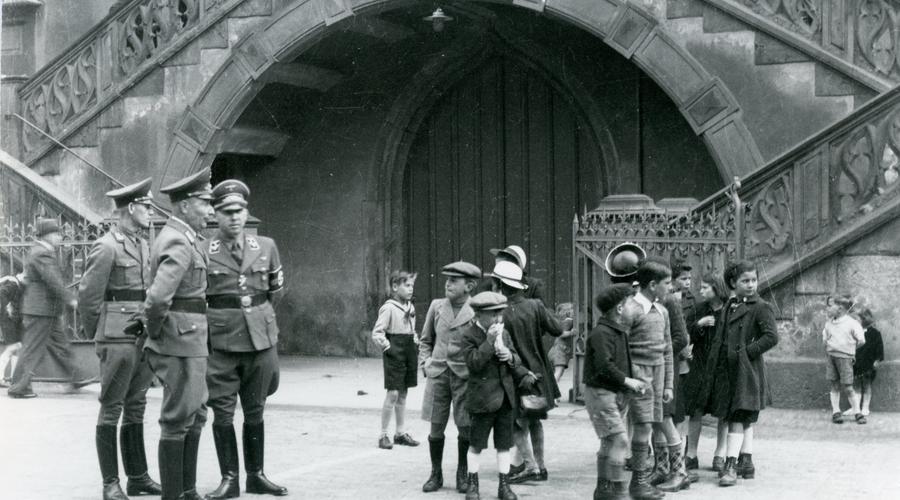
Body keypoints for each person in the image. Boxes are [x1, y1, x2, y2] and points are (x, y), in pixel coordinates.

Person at [203, 180, 288, 499]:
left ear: (246, 212)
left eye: (239, 211)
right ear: (216, 215)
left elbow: (274, 293)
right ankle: (229, 479)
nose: (234, 217)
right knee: (222, 411)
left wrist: (258, 319)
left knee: (256, 409)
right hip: (221, 344)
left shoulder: (266, 246)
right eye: (226, 212)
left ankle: (256, 475)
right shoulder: (204, 250)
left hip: (260, 341)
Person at [78, 178, 161, 500]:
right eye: (146, 207)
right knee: (111, 408)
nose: (151, 213)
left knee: (137, 405)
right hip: (115, 338)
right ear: (131, 208)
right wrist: (98, 336)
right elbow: (88, 297)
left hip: (140, 336)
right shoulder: (107, 246)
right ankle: (110, 483)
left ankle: (138, 477)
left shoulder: (142, 244)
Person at [141, 167, 215, 500]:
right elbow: (158, 298)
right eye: (205, 202)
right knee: (177, 419)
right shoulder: (177, 240)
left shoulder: (184, 238)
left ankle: (187, 490)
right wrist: (156, 335)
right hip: (180, 341)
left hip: (190, 340)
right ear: (185, 205)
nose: (210, 210)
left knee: (196, 414)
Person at [701, 260, 778, 487]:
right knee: (741, 414)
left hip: (746, 370)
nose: (751, 285)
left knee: (738, 414)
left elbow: (771, 336)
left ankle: (731, 464)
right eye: (745, 281)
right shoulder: (730, 304)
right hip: (726, 370)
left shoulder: (760, 306)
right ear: (733, 283)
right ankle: (747, 461)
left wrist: (747, 352)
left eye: (754, 280)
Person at [488, 261, 562, 485]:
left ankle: (530, 466)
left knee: (516, 425)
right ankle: (541, 465)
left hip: (515, 375)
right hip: (539, 374)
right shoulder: (536, 306)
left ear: (501, 286)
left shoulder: (499, 314)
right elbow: (557, 329)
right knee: (535, 420)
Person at [622, 258, 686, 497]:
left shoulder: (662, 311)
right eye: (667, 283)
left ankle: (675, 472)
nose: (671, 288)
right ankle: (640, 481)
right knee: (644, 427)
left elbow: (668, 349)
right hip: (639, 376)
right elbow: (620, 348)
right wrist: (630, 378)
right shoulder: (630, 310)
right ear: (652, 285)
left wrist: (668, 384)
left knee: (657, 422)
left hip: (659, 376)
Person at [7, 218, 89, 398]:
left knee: (60, 344)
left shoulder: (42, 251)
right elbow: (52, 279)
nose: (60, 237)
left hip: (46, 309)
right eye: (57, 234)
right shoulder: (41, 253)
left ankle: (77, 377)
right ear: (48, 235)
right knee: (32, 348)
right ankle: (19, 388)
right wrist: (70, 299)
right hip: (40, 309)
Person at [419, 261, 482, 493]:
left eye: (454, 281)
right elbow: (425, 339)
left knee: (465, 426)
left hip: (464, 377)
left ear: (470, 286)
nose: (448, 284)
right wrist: (425, 362)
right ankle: (436, 474)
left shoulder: (476, 310)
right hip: (437, 375)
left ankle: (462, 473)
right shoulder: (436, 306)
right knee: (436, 426)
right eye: (447, 279)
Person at [583, 283, 647, 500]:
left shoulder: (617, 331)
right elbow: (604, 366)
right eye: (631, 302)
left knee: (609, 441)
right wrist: (628, 381)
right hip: (601, 395)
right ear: (620, 308)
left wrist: (632, 381)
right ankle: (619, 493)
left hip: (611, 394)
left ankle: (604, 490)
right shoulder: (602, 333)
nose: (635, 306)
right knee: (619, 441)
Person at [460, 291, 524, 500]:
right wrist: (488, 343)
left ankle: (503, 485)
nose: (498, 319)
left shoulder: (504, 334)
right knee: (476, 444)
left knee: (504, 444)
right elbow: (474, 363)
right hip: (482, 400)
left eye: (500, 314)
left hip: (504, 398)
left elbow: (517, 359)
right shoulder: (469, 335)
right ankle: (472, 483)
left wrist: (510, 357)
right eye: (493, 315)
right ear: (478, 315)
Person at [683, 273, 728, 472]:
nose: (700, 291)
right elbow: (686, 336)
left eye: (704, 288)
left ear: (716, 289)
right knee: (695, 410)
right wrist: (699, 325)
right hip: (700, 365)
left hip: (722, 367)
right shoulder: (699, 309)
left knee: (723, 412)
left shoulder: (729, 310)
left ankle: (720, 454)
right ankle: (691, 454)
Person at [372, 270, 420, 450]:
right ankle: (383, 434)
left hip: (408, 351)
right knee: (392, 393)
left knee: (403, 393)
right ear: (394, 287)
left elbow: (411, 328)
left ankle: (400, 433)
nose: (410, 289)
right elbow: (377, 332)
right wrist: (387, 347)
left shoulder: (410, 307)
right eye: (406, 285)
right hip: (395, 352)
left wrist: (414, 339)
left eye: (412, 286)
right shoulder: (389, 308)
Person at [823, 294, 866, 425]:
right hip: (832, 358)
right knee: (834, 385)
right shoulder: (829, 324)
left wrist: (850, 351)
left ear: (840, 308)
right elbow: (825, 340)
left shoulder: (851, 323)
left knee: (848, 386)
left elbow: (861, 340)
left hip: (845, 359)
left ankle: (857, 412)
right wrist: (829, 349)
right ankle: (836, 412)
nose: (827, 309)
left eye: (831, 306)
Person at [474, 245, 544, 303]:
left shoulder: (533, 285)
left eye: (507, 262)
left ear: (518, 265)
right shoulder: (489, 285)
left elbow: (543, 313)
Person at [854, 308, 884, 417]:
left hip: (869, 364)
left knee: (867, 385)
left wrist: (877, 361)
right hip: (857, 363)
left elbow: (880, 349)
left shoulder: (875, 333)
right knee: (856, 385)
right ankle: (856, 408)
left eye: (862, 318)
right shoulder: (856, 332)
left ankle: (865, 408)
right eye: (860, 318)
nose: (860, 320)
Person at [0, 272, 26, 386]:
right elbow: (2, 294)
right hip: (8, 320)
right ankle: (3, 377)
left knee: (16, 347)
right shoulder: (13, 283)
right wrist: (7, 307)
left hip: (12, 320)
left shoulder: (13, 282)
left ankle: (13, 377)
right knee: (14, 347)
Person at [548, 302, 575, 385]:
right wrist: (571, 333)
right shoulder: (569, 321)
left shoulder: (563, 321)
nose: (575, 312)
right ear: (568, 312)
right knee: (558, 372)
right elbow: (561, 334)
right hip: (560, 351)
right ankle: (553, 393)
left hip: (558, 349)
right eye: (573, 310)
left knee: (558, 372)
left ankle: (553, 392)